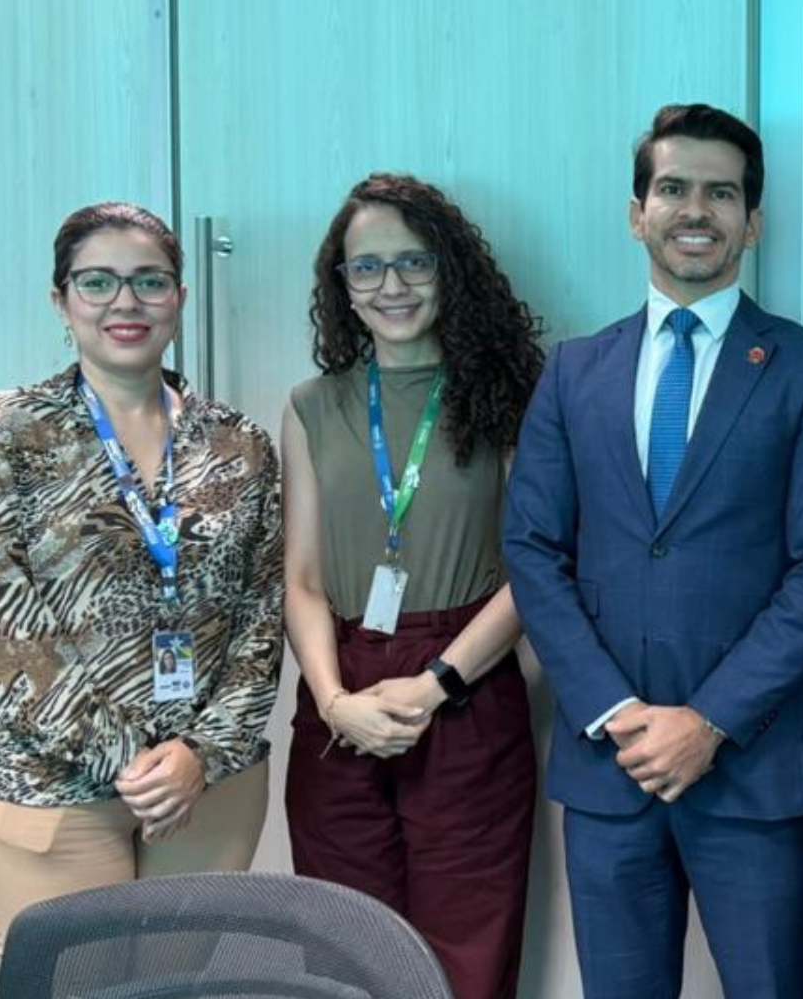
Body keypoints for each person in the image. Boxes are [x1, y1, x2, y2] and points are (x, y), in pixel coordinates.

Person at [503, 103, 803, 999]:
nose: (695, 210)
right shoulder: (574, 370)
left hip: (754, 766)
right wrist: (614, 711)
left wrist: (708, 722)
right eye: (673, 189)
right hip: (609, 766)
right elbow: (533, 549)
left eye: (721, 193)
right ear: (638, 214)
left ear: (753, 221)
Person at [0, 202, 281, 953]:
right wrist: (130, 761)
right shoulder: (5, 429)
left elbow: (262, 615)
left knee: (180, 988)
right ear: (61, 299)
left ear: (179, 298)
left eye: (149, 281)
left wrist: (200, 754)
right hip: (50, 788)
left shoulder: (239, 442)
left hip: (207, 788)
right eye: (97, 282)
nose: (125, 302)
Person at [282, 173, 543, 999]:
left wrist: (435, 687)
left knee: (469, 951)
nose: (390, 285)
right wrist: (333, 701)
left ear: (447, 269)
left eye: (413, 261)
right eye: (367, 267)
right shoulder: (312, 406)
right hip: (340, 692)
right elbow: (302, 580)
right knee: (343, 953)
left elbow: (534, 571)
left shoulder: (507, 399)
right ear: (342, 284)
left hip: (466, 683)